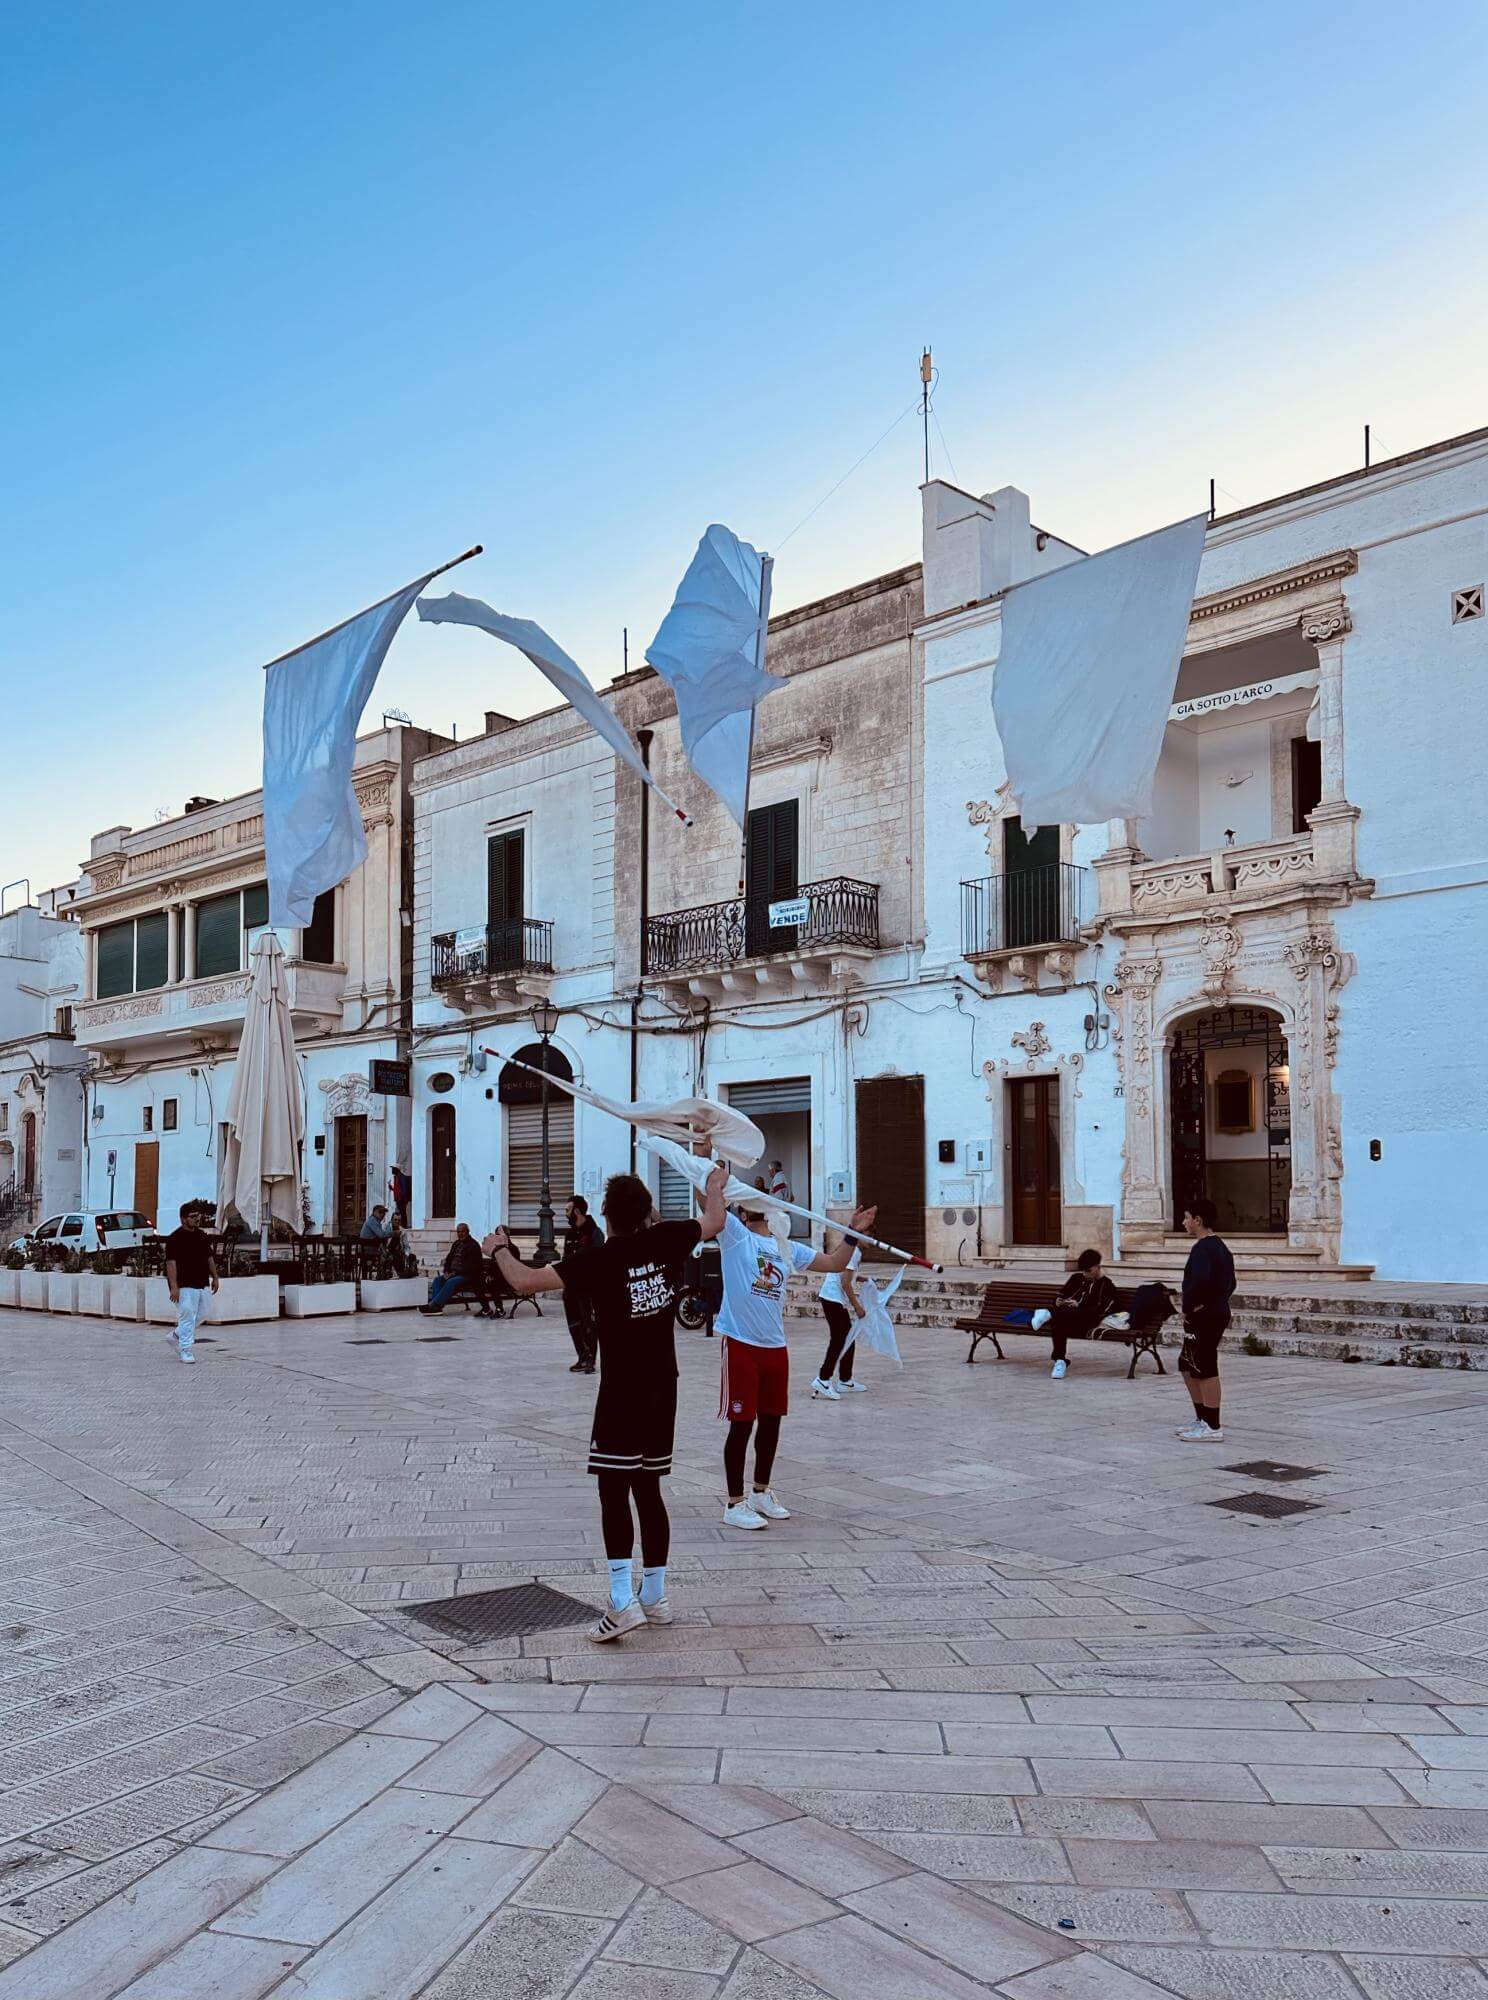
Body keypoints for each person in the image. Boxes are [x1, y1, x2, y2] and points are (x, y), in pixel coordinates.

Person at [487, 1166, 728, 1642]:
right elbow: (715, 1219)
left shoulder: (597, 1260)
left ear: (605, 1213)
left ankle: (622, 1601)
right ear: (646, 1212)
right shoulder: (668, 1240)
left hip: (622, 1391)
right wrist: (714, 1182)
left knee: (613, 1490)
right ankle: (654, 1596)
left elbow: (524, 1281)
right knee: (649, 1489)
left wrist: (497, 1249)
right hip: (663, 1387)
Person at [717, 1193, 876, 1530]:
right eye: (749, 1198)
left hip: (775, 1346)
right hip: (741, 1343)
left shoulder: (786, 1247)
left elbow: (835, 1263)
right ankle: (734, 1503)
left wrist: (852, 1231)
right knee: (741, 1424)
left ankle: (761, 1492)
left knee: (771, 1422)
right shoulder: (735, 1235)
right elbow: (707, 1199)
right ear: (742, 1210)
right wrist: (713, 1173)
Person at [1177, 1197, 1236, 1441]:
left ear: (1198, 1220)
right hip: (1213, 1311)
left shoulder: (1204, 1248)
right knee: (1187, 1364)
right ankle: (1202, 1418)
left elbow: (1200, 1281)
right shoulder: (1219, 1247)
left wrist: (1192, 1307)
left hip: (1206, 1316)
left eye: (1186, 1218)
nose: (1183, 1222)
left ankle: (1212, 1425)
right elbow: (1231, 1283)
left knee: (1204, 1366)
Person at [1043, 1249, 1118, 1379]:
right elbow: (1061, 1294)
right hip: (1067, 1318)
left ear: (1097, 1267)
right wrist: (1058, 1301)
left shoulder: (1107, 1285)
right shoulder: (1076, 1278)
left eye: (1088, 1271)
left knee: (1058, 1319)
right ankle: (1060, 1360)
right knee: (1060, 1319)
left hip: (1088, 1322)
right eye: (1083, 1270)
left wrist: (1079, 1306)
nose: (1085, 1274)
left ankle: (1059, 1359)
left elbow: (1100, 1311)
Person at [164, 1203, 219, 1365]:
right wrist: (174, 1287)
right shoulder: (174, 1238)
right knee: (187, 1315)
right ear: (183, 1219)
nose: (197, 1219)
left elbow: (209, 1257)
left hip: (202, 1281)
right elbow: (170, 1263)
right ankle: (186, 1350)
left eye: (198, 1215)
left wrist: (215, 1277)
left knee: (204, 1313)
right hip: (183, 1284)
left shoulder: (202, 1235)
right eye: (193, 1216)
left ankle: (176, 1335)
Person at [812, 1243, 868, 1399]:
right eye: (868, 1236)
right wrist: (857, 1307)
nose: (870, 1240)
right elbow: (845, 1283)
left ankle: (845, 1380)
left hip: (831, 1298)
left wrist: (860, 1278)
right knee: (838, 1340)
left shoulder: (849, 1248)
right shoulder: (854, 1252)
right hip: (833, 1298)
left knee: (848, 1338)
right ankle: (823, 1379)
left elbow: (844, 1274)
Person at [561, 1196, 605, 1374]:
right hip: (570, 1288)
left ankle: (590, 1360)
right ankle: (582, 1356)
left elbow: (599, 1261)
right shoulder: (570, 1234)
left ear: (577, 1211)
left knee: (589, 1324)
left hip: (588, 1289)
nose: (565, 1214)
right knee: (574, 1324)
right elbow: (565, 1259)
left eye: (567, 1210)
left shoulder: (594, 1232)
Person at [420, 1222, 490, 1316]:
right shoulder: (456, 1244)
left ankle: (433, 1305)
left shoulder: (473, 1245)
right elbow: (448, 1259)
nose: (460, 1234)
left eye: (462, 1231)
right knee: (437, 1280)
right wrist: (446, 1271)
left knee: (451, 1282)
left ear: (468, 1232)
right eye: (458, 1232)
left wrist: (454, 1274)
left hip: (468, 1276)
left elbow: (471, 1266)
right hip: (454, 1274)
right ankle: (436, 1308)